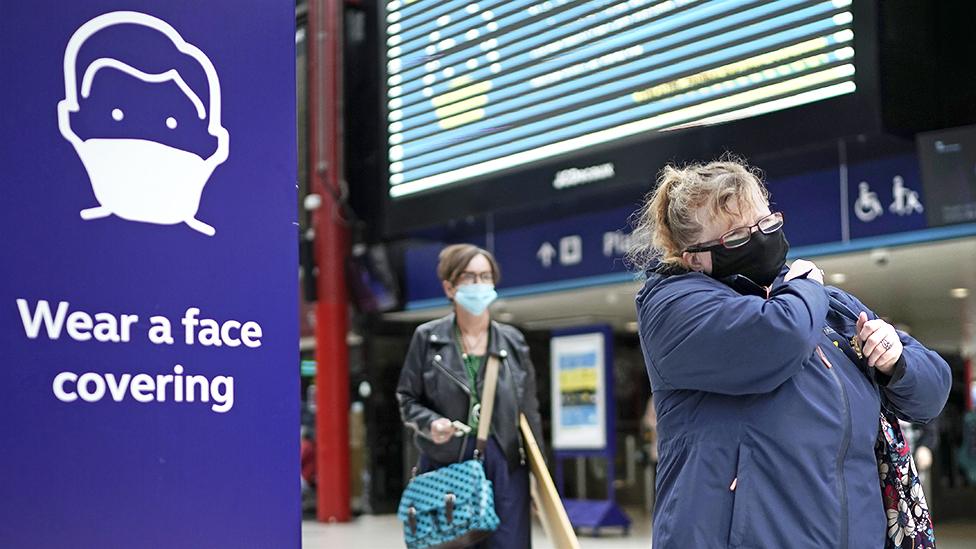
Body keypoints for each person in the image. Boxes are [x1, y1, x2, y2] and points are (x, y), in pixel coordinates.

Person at [628, 159, 952, 548]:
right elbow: (779, 337)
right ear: (694, 257)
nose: (762, 239)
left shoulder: (827, 305)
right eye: (736, 238)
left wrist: (896, 361)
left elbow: (932, 392)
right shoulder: (673, 304)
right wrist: (807, 285)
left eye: (767, 225)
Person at [397, 244, 544, 548]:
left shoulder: (513, 341)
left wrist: (540, 480)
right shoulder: (428, 338)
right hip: (446, 464)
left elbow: (529, 413)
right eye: (469, 277)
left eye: (486, 277)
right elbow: (407, 398)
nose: (479, 285)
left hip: (504, 466)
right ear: (449, 287)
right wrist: (431, 423)